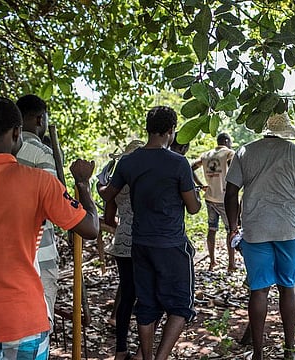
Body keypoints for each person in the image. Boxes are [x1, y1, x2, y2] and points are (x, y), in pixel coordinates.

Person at [0, 97, 99, 358]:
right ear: (18, 132)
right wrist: (84, 187)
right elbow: (90, 228)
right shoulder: (40, 182)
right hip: (23, 319)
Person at [99, 106, 201, 360]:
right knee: (180, 306)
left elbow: (108, 194)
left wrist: (88, 181)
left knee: (146, 305)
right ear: (171, 130)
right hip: (171, 244)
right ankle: (160, 358)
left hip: (140, 243)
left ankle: (146, 356)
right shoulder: (178, 163)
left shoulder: (128, 161)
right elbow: (193, 207)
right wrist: (195, 194)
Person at [225, 112, 295, 360]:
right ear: (287, 131)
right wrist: (292, 197)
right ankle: (290, 351)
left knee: (259, 290)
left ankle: (258, 354)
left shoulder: (245, 152)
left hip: (255, 230)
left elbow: (231, 192)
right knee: (287, 287)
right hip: (288, 229)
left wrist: (232, 227)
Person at [15, 94, 60, 328]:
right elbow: (53, 206)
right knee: (40, 319)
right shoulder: (40, 152)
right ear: (39, 119)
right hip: (37, 251)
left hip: (3, 251)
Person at [98, 140, 145, 360]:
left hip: (123, 243)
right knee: (148, 295)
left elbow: (108, 218)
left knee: (127, 295)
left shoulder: (117, 182)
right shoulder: (147, 178)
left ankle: (120, 350)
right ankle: (141, 352)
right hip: (146, 240)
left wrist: (123, 227)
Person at [192, 132, 235, 271]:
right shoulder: (229, 153)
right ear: (227, 141)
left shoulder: (206, 155)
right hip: (224, 199)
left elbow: (191, 167)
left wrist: (201, 185)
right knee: (230, 231)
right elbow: (234, 172)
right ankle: (231, 264)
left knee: (211, 229)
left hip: (210, 197)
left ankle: (212, 262)